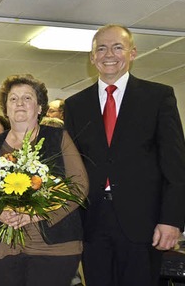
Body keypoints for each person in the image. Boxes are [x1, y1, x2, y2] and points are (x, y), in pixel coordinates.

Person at [64, 24, 185, 286]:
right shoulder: (74, 105)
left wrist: (172, 220)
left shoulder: (158, 97)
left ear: (133, 53)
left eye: (118, 47)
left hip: (144, 223)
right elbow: (71, 168)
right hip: (92, 221)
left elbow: (176, 167)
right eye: (102, 48)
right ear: (92, 57)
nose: (109, 54)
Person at [0, 74, 89, 286]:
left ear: (39, 107)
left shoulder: (58, 138)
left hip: (53, 246)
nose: (19, 103)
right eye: (13, 99)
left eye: (27, 98)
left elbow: (79, 186)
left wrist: (36, 214)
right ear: (6, 107)